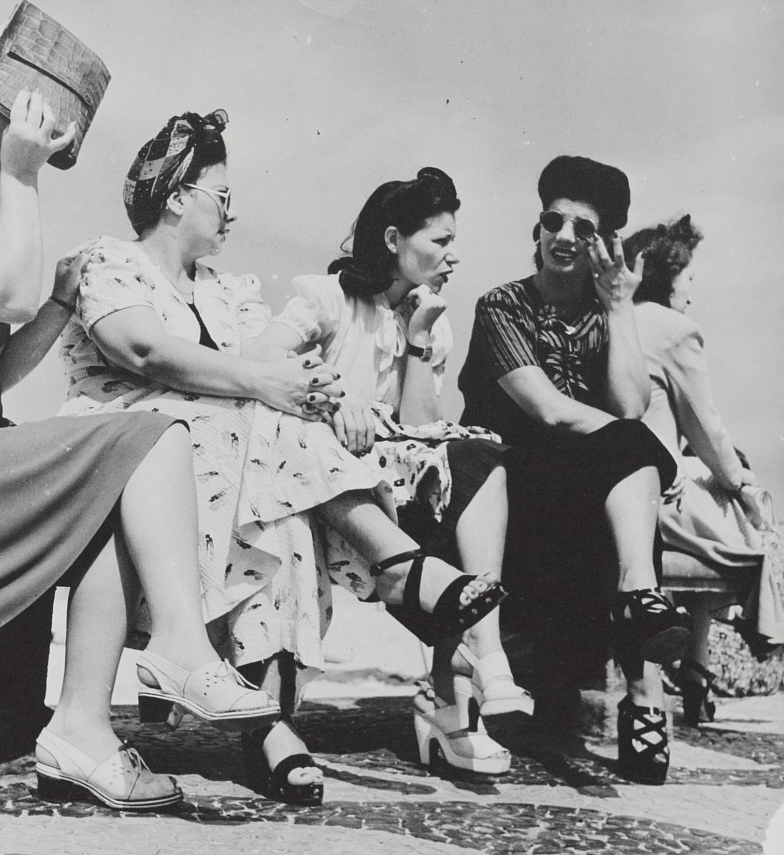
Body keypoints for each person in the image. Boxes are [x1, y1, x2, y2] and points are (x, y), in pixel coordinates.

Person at [0, 47, 283, 813]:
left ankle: (81, 731)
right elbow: (6, 295)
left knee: (111, 486)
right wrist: (24, 180)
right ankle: (181, 651)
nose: (38, 133)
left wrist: (59, 301)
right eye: (16, 115)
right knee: (147, 435)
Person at [59, 114, 504, 801]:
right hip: (132, 445)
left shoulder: (227, 292)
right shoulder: (109, 262)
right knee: (267, 430)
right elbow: (144, 353)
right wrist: (271, 385)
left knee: (282, 506)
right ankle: (394, 569)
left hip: (222, 454)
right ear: (178, 196)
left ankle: (272, 720)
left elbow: (271, 379)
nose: (232, 215)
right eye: (223, 198)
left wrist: (323, 394)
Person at [247, 167, 531, 777]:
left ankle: (477, 668)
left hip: (390, 473)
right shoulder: (328, 299)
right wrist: (331, 393)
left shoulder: (431, 319)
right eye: (441, 240)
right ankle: (470, 678)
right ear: (395, 239)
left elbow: (423, 429)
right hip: (323, 476)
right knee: (447, 487)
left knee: (478, 457)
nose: (454, 255)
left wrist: (421, 342)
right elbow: (260, 358)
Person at [457, 155, 688, 785]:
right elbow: (550, 413)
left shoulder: (607, 313)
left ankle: (644, 657)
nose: (562, 236)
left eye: (582, 229)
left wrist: (619, 310)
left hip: (579, 498)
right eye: (552, 221)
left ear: (605, 245)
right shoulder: (503, 305)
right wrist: (640, 451)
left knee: (632, 485)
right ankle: (644, 662)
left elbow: (631, 402)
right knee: (633, 457)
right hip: (508, 489)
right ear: (536, 230)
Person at [624, 216, 784, 724]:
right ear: (667, 276)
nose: (692, 291)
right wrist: (743, 484)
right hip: (653, 497)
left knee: (714, 489)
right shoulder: (673, 329)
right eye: (688, 277)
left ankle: (696, 668)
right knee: (745, 505)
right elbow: (707, 430)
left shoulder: (617, 318)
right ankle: (717, 658)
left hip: (623, 487)